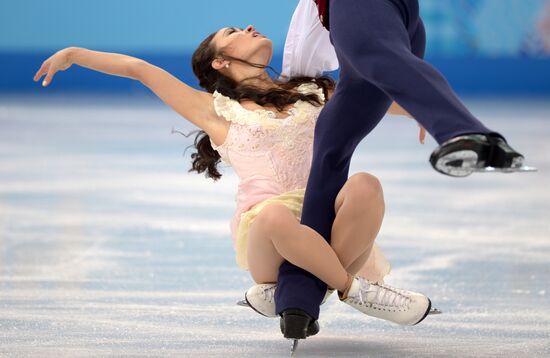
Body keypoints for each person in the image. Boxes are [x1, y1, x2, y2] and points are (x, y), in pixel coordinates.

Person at [33, 24, 433, 339]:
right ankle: (356, 291)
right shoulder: (215, 111)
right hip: (269, 238)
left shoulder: (313, 91)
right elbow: (140, 70)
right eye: (232, 32)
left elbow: (381, 98)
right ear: (219, 63)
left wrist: (425, 112)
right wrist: (73, 54)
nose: (249, 27)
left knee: (366, 184)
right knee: (275, 215)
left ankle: (313, 285)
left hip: (328, 224)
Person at [273, 0, 532, 340]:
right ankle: (299, 296)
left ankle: (464, 133)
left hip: (365, 13)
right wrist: (418, 104)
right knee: (331, 143)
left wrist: (426, 107)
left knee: (375, 56)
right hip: (385, 21)